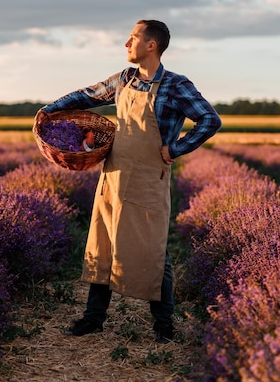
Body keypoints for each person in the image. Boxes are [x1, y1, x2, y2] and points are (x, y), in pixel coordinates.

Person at [37, 19, 221, 343]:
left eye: (133, 37)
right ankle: (93, 319)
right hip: (114, 175)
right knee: (103, 244)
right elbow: (87, 95)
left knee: (154, 250)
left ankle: (163, 327)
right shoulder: (124, 79)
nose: (126, 43)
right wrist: (48, 111)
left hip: (149, 179)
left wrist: (176, 148)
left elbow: (210, 119)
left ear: (151, 45)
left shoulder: (176, 85)